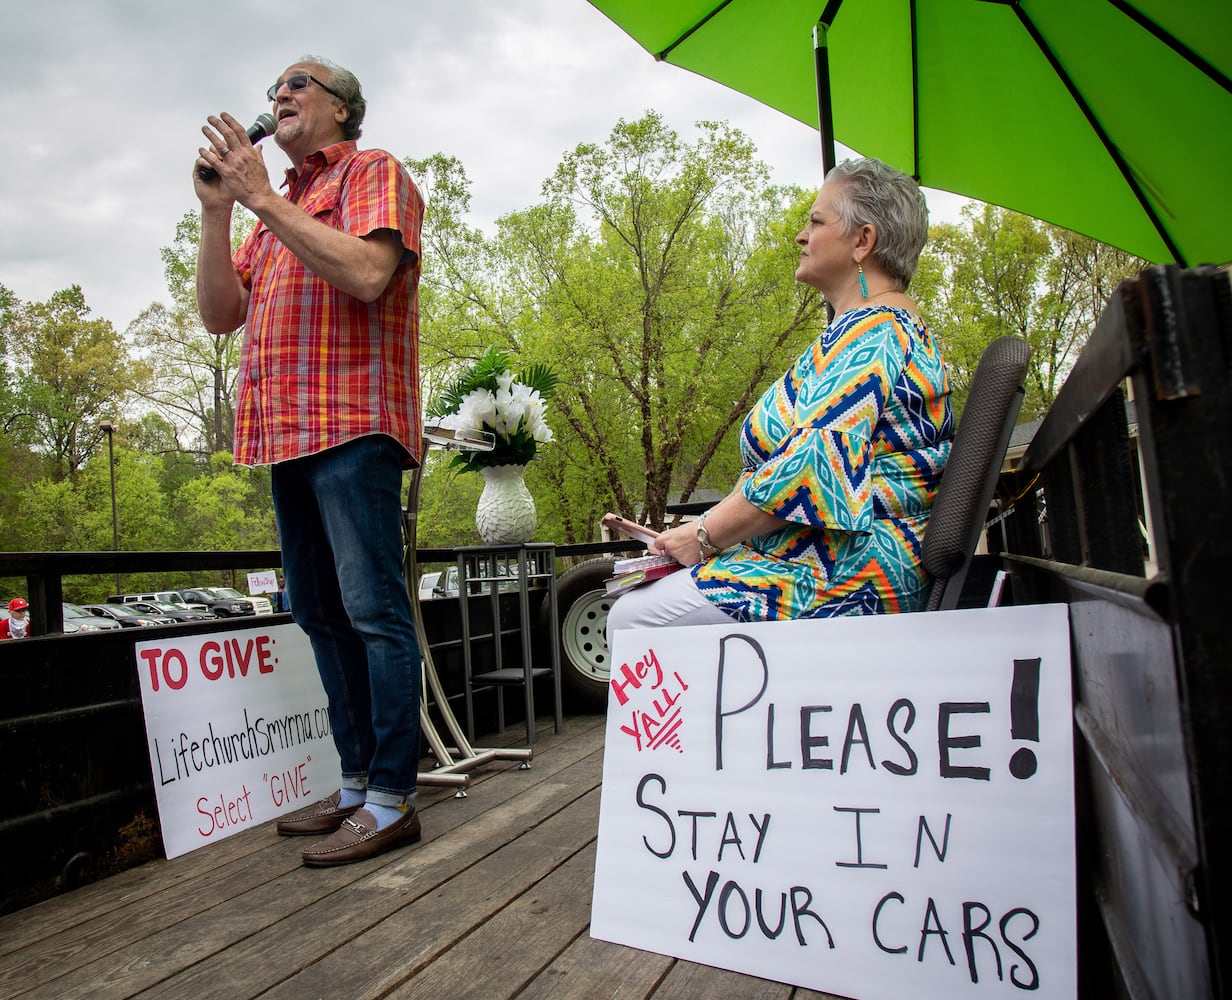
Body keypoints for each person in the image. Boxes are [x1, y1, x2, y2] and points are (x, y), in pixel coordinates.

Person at [193, 57, 426, 867]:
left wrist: (258, 193)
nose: (279, 98)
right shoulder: (275, 210)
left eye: (297, 86)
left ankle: (396, 796)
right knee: (319, 615)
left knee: (373, 614)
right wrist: (221, 212)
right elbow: (222, 315)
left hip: (354, 428)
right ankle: (358, 782)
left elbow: (367, 274)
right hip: (284, 435)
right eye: (273, 91)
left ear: (342, 108)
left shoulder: (372, 171)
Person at [607, 157, 953, 633]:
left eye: (816, 221)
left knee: (634, 618)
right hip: (809, 560)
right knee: (641, 601)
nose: (801, 235)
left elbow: (812, 468)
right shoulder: (857, 332)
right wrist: (690, 535)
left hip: (846, 574)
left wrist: (705, 536)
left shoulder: (877, 333)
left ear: (862, 241)